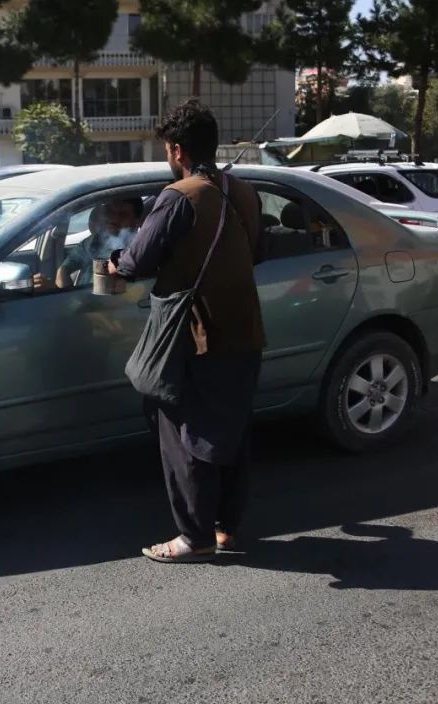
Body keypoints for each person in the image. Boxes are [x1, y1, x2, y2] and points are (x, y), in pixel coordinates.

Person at [109, 99, 265, 563]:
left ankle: (192, 537)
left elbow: (137, 260)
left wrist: (116, 260)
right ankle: (225, 529)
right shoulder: (243, 192)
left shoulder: (180, 197)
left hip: (200, 338)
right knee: (230, 431)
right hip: (246, 330)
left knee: (183, 434)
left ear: (176, 150)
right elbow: (253, 250)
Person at [54, 197, 142, 289]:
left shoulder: (138, 250)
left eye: (123, 214)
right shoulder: (96, 239)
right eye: (110, 211)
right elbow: (65, 268)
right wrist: (69, 296)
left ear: (136, 221)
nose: (114, 218)